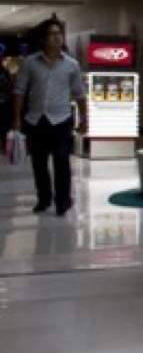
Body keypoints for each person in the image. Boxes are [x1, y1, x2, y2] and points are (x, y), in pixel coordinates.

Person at [11, 19, 87, 215]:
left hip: (61, 120)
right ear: (44, 39)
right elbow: (19, 91)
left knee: (62, 161)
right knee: (39, 163)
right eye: (52, 34)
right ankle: (44, 198)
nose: (57, 37)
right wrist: (17, 119)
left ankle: (63, 201)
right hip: (36, 120)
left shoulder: (72, 65)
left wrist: (84, 119)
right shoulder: (30, 63)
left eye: (59, 34)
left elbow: (79, 94)